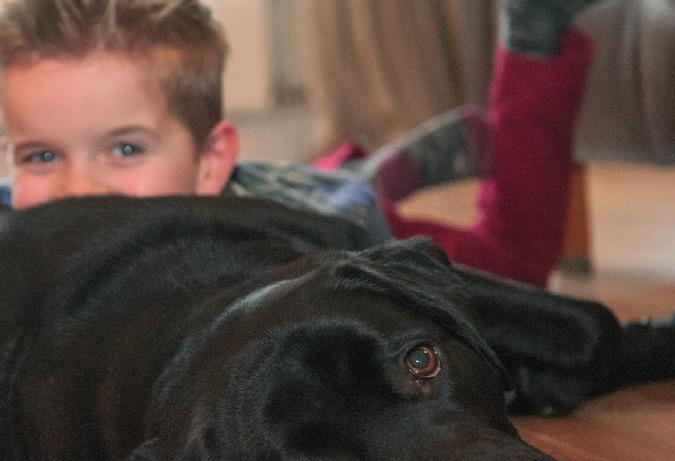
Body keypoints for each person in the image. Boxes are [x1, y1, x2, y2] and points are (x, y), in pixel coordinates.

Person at [0, 0, 599, 287]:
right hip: (276, 183)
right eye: (42, 156)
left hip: (329, 212)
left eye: (125, 149)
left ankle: (532, 37)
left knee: (515, 268)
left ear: (210, 164)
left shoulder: (326, 246)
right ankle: (373, 167)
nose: (77, 191)